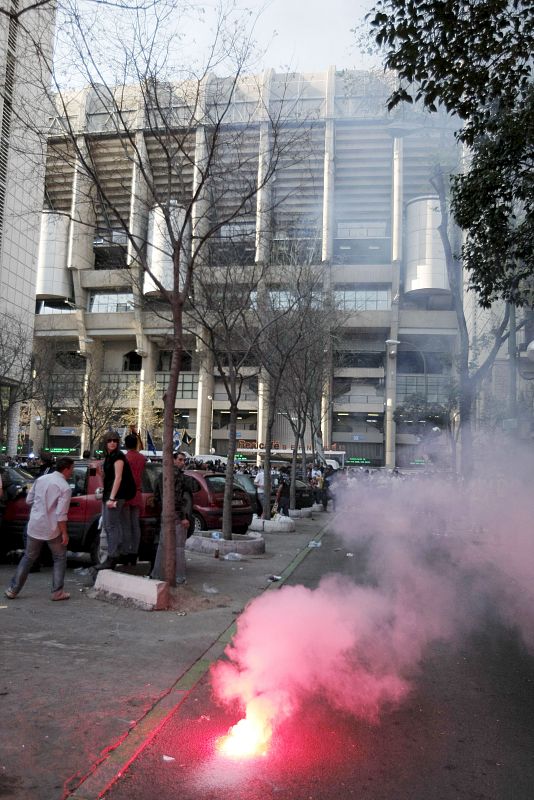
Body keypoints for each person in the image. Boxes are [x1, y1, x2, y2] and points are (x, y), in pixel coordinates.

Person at [4, 457, 75, 601]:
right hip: (52, 528)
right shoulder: (65, 487)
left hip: (35, 525)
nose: (72, 472)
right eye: (72, 469)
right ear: (66, 469)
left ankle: (13, 589)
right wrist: (64, 533)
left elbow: (29, 500)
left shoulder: (41, 479)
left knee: (28, 557)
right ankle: (57, 591)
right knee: (60, 557)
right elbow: (61, 515)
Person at [96, 431, 135, 570]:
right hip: (110, 495)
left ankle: (112, 556)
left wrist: (112, 498)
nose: (112, 442)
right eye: (109, 440)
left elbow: (118, 478)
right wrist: (100, 472)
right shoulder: (109, 457)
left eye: (115, 440)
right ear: (105, 442)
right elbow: (109, 478)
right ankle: (114, 554)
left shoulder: (118, 456)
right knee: (110, 525)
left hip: (116, 496)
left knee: (111, 526)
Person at [151, 451, 191, 583]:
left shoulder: (162, 475)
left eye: (183, 460)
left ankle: (157, 574)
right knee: (178, 547)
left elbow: (156, 496)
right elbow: (178, 499)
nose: (182, 463)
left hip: (165, 513)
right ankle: (179, 576)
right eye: (180, 460)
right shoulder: (177, 477)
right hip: (176, 515)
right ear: (173, 460)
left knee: (163, 545)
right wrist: (183, 517)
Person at [121, 433, 146, 565]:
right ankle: (134, 553)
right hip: (137, 493)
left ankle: (126, 552)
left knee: (126, 525)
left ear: (125, 444)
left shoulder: (124, 458)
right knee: (135, 525)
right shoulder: (142, 458)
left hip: (126, 494)